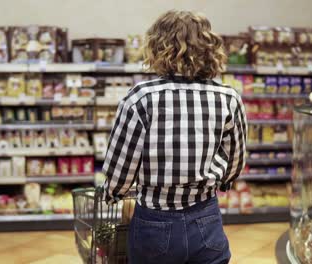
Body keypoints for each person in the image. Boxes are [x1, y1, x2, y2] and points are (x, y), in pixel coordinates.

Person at [103, 10, 247, 264]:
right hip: (206, 216)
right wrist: (220, 182)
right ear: (209, 48)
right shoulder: (228, 97)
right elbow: (235, 159)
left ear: (158, 48)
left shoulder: (141, 97)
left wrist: (113, 193)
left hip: (154, 220)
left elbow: (121, 167)